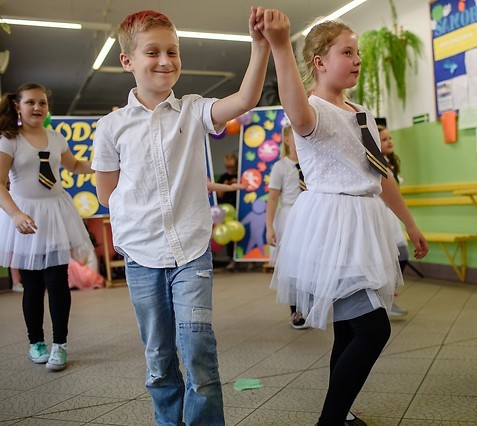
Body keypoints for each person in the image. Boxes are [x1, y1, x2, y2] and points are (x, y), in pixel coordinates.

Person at [92, 8, 270, 425]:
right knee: (158, 357)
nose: (165, 60)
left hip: (191, 251)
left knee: (198, 350)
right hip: (141, 255)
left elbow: (245, 99)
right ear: (127, 61)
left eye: (172, 51)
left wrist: (260, 46)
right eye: (152, 52)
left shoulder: (194, 110)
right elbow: (106, 193)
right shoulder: (111, 127)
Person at [261, 11, 428, 425]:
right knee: (374, 329)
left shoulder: (362, 112)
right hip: (333, 226)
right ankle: (331, 421)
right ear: (319, 61)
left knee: (351, 329)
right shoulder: (311, 111)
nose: (357, 60)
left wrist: (409, 223)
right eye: (347, 52)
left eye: (358, 53)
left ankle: (340, 414)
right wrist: (280, 46)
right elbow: (295, 108)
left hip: (366, 223)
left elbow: (380, 174)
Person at [0, 83, 95, 371]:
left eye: (42, 103)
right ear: (17, 106)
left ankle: (60, 344)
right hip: (25, 215)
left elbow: (75, 165)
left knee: (57, 282)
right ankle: (36, 342)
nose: (37, 107)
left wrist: (103, 163)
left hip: (56, 214)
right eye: (30, 102)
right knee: (33, 285)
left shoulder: (56, 138)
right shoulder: (9, 139)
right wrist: (15, 214)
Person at [265, 125, 309, 329]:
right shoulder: (280, 167)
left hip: (311, 216)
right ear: (287, 140)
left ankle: (310, 306)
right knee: (293, 265)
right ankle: (296, 310)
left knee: (310, 263)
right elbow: (273, 199)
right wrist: (270, 227)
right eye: (295, 136)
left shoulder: (311, 162)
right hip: (290, 217)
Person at [378, 124, 409, 317]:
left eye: (390, 138)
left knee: (402, 254)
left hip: (391, 217)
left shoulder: (390, 162)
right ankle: (384, 299)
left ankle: (387, 295)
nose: (389, 142)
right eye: (384, 139)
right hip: (381, 216)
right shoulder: (377, 164)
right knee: (386, 259)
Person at [216, 153, 240, 270]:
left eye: (232, 167)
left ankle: (245, 259)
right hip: (227, 209)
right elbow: (219, 195)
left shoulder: (241, 175)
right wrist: (226, 186)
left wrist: (237, 183)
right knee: (230, 236)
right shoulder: (223, 177)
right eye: (227, 167)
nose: (230, 169)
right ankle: (231, 259)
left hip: (239, 207)